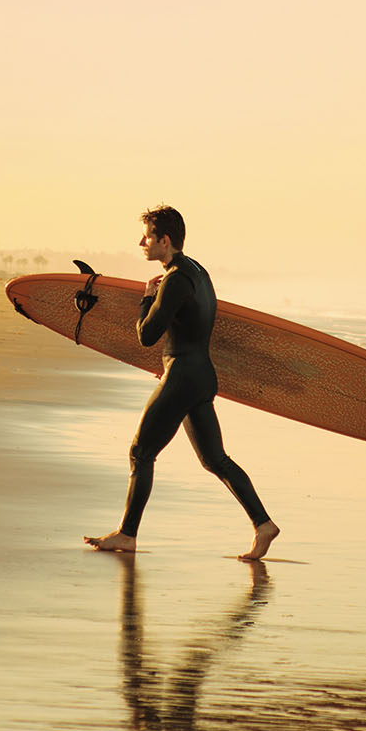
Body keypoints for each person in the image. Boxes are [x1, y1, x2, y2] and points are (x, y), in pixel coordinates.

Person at [85, 206, 281, 561]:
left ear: (164, 240)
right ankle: (263, 525)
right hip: (203, 375)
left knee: (141, 453)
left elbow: (147, 335)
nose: (141, 242)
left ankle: (127, 534)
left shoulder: (174, 279)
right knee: (215, 459)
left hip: (182, 377)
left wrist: (147, 297)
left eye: (147, 236)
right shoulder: (198, 271)